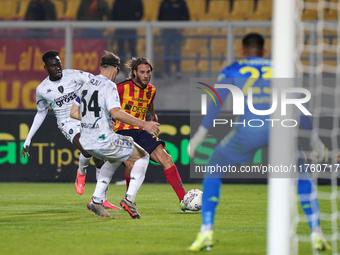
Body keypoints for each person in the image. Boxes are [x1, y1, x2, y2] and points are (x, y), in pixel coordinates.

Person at [187, 33, 331, 251]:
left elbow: (216, 101)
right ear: (265, 51)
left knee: (213, 170)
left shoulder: (232, 68)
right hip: (282, 130)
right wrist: (315, 140)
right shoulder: (280, 67)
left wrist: (198, 136)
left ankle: (207, 230)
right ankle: (316, 232)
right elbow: (299, 105)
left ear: (242, 51)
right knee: (302, 176)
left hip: (248, 130)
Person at [20, 50, 119, 210]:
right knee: (87, 147)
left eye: (58, 64)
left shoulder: (73, 75)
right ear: (46, 68)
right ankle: (81, 172)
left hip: (86, 118)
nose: (57, 68)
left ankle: (102, 199)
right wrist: (29, 138)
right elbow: (41, 112)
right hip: (67, 123)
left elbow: (96, 82)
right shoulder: (43, 89)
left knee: (100, 158)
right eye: (53, 66)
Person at [70, 51, 160, 218]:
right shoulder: (110, 85)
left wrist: (97, 118)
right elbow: (116, 113)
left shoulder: (86, 84)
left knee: (115, 158)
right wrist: (144, 124)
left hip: (87, 143)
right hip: (104, 140)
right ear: (116, 69)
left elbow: (74, 113)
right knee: (143, 156)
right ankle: (129, 199)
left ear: (101, 67)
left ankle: (96, 200)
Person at [114, 57, 187, 209]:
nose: (146, 75)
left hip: (141, 131)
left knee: (167, 159)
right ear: (134, 72)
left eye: (148, 72)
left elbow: (150, 103)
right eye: (142, 72)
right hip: (121, 131)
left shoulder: (151, 90)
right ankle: (128, 198)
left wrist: (153, 116)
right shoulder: (120, 88)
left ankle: (184, 200)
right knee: (131, 166)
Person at [158, 0, 190, 77]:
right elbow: (159, 17)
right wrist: (161, 27)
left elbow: (187, 17)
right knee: (166, 51)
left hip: (177, 32)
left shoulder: (181, 3)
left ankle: (178, 70)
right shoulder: (164, 3)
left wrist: (182, 27)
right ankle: (166, 70)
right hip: (166, 32)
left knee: (177, 51)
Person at [111, 0, 144, 70]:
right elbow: (113, 13)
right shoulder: (118, 2)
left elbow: (141, 12)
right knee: (120, 49)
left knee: (132, 49)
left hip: (131, 29)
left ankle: (134, 69)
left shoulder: (136, 1)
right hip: (120, 29)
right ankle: (120, 69)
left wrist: (134, 21)